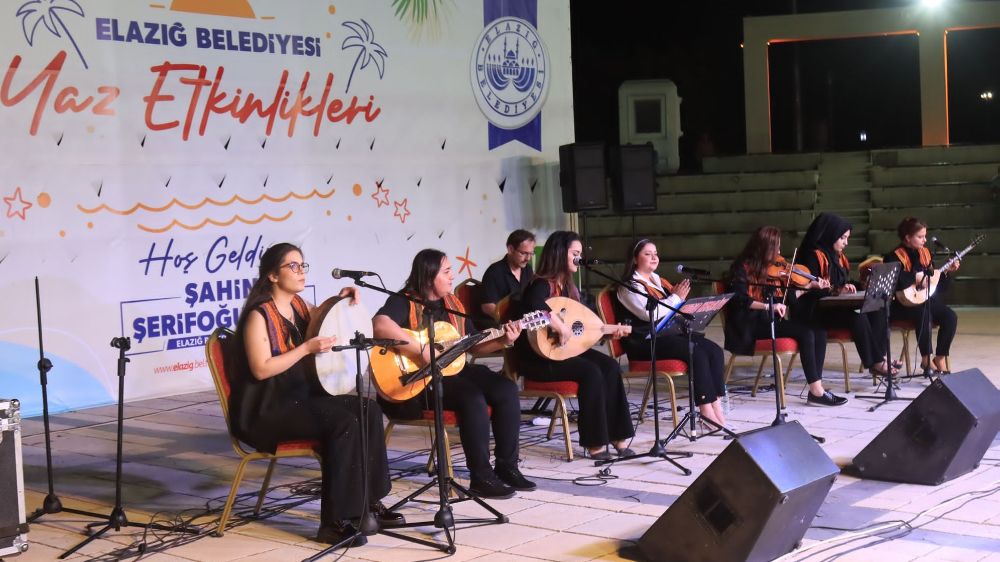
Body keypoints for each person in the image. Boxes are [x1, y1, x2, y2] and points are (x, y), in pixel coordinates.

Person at [229, 243, 402, 546]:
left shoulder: (298, 305)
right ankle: (334, 522)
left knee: (369, 410)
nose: (300, 271)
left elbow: (324, 317)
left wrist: (343, 298)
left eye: (302, 265)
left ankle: (368, 504)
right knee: (342, 423)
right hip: (266, 410)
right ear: (272, 274)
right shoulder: (259, 315)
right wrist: (306, 349)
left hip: (299, 398)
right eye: (292, 266)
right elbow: (261, 369)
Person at [372, 248, 535, 499]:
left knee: (505, 388)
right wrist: (421, 349)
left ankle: (507, 467)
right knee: (472, 398)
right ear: (428, 277)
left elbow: (475, 345)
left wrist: (504, 340)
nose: (452, 276)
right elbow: (380, 324)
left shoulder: (453, 304)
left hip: (453, 368)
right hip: (416, 380)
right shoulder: (404, 300)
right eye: (447, 271)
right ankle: (480, 476)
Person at [511, 231, 634, 461]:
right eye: (574, 254)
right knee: (591, 372)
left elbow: (579, 332)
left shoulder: (568, 289)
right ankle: (595, 443)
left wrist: (605, 333)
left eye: (580, 254)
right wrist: (557, 324)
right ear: (559, 254)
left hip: (561, 354)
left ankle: (619, 436)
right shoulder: (540, 285)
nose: (579, 258)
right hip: (538, 360)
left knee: (609, 366)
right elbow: (533, 306)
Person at [723, 226, 848, 406]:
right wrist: (768, 306)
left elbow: (784, 298)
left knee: (818, 331)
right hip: (748, 326)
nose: (780, 253)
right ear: (763, 248)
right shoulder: (741, 268)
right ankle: (816, 391)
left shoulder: (770, 269)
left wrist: (808, 287)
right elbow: (739, 300)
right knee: (805, 333)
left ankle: (816, 387)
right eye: (776, 248)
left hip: (768, 321)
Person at [615, 239, 728, 426]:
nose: (654, 257)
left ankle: (717, 407)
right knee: (696, 352)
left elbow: (673, 308)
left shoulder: (658, 280)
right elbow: (648, 314)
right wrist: (676, 298)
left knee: (714, 350)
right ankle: (706, 412)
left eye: (655, 253)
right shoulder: (629, 287)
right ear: (635, 259)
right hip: (644, 342)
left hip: (666, 336)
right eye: (647, 254)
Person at [796, 213, 895, 377]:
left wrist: (859, 285)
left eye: (847, 238)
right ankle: (876, 362)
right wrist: (836, 290)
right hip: (814, 312)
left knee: (878, 309)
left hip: (833, 309)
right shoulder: (811, 255)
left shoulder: (837, 257)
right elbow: (810, 288)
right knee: (857, 317)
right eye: (842, 238)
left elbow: (842, 283)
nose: (846, 243)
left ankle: (879, 357)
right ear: (830, 234)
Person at [884, 217, 960, 375]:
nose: (925, 240)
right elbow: (895, 282)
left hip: (924, 299)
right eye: (920, 237)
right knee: (924, 313)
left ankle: (940, 357)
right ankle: (926, 359)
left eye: (925, 236)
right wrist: (915, 278)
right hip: (900, 304)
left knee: (950, 316)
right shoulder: (893, 256)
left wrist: (945, 272)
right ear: (907, 238)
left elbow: (939, 287)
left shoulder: (925, 254)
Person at [481, 229, 536, 324]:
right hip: (504, 325)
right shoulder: (494, 272)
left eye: (531, 254)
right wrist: (509, 321)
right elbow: (487, 306)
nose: (528, 259)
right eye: (523, 253)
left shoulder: (528, 269)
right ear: (510, 249)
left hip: (523, 322)